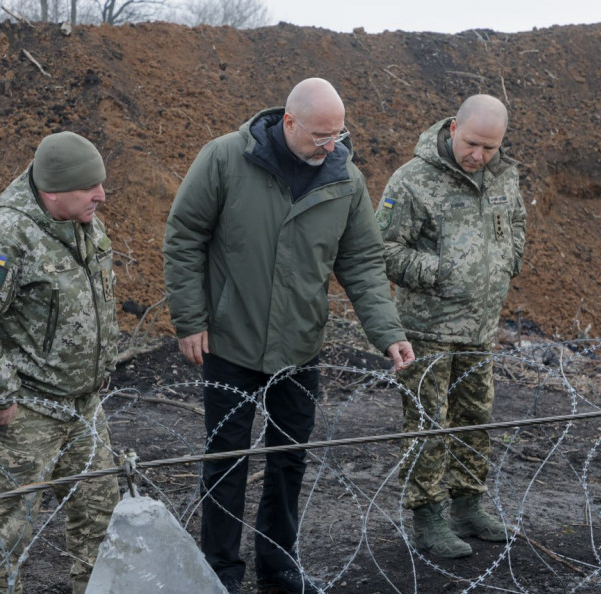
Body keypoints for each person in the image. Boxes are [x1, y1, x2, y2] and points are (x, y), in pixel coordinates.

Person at [163, 77, 415, 593]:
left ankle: (278, 567)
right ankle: (221, 572)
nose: (331, 146)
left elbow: (363, 263)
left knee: (288, 464)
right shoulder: (226, 159)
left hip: (299, 349)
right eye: (321, 135)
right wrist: (190, 319)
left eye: (339, 135)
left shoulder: (345, 180)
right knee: (225, 465)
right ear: (289, 122)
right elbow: (184, 236)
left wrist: (387, 331)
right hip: (230, 342)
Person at [0, 131, 121, 593]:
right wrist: (0, 393)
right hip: (28, 413)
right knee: (11, 530)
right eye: (89, 188)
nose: (101, 195)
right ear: (53, 191)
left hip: (83, 408)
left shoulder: (86, 224)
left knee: (101, 517)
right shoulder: (3, 237)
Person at [375, 95, 526, 558]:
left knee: (475, 418)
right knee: (427, 423)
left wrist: (507, 260)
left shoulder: (502, 176)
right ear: (454, 127)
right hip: (428, 329)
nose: (478, 155)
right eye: (472, 144)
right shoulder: (413, 180)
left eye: (489, 147)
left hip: (481, 328)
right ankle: (428, 516)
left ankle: (468, 505)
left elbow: (516, 223)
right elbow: (382, 249)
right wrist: (442, 272)